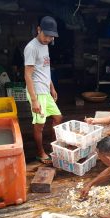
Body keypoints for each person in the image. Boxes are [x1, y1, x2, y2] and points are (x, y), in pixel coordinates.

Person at [24, 16, 62, 164]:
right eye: (46, 35)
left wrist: (52, 87)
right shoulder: (31, 48)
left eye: (51, 36)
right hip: (37, 92)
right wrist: (34, 100)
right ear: (38, 30)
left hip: (45, 90)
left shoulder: (46, 45)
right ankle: (40, 153)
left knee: (58, 117)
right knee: (39, 125)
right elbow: (27, 74)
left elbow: (45, 69)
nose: (48, 39)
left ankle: (55, 146)